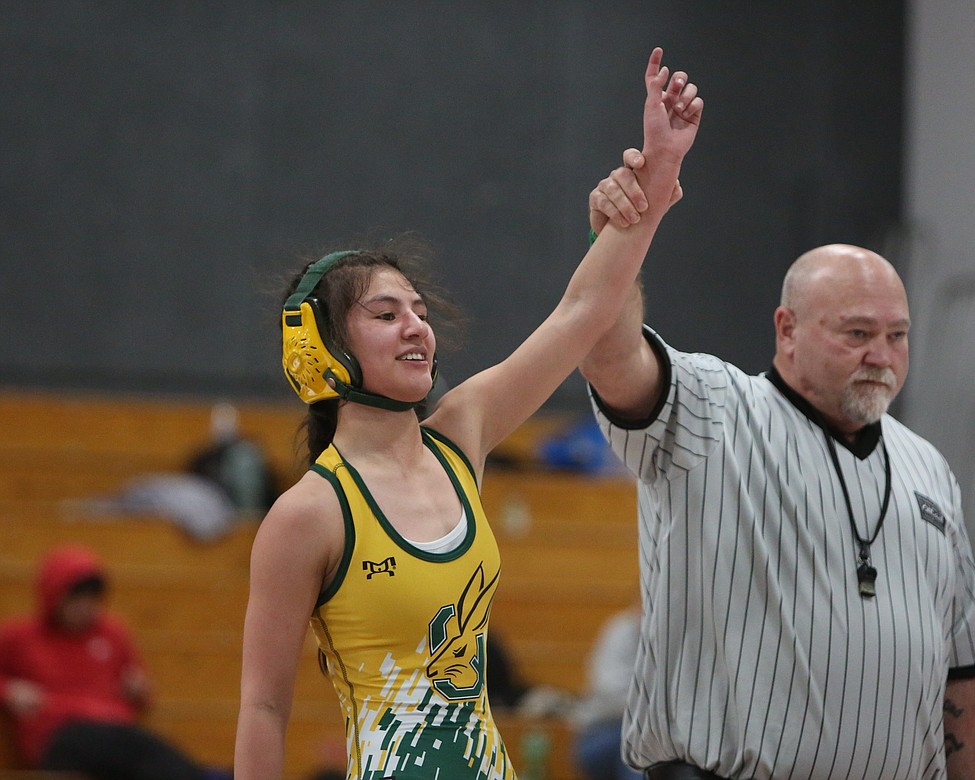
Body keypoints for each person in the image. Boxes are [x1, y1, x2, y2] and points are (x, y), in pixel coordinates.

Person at [233, 47, 703, 780]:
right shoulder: (308, 515)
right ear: (322, 349)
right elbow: (264, 708)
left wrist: (657, 182)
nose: (417, 328)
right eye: (386, 314)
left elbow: (580, 314)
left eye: (419, 312)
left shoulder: (460, 434)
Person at [581, 165, 975, 779]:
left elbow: (963, 668)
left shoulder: (928, 467)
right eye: (857, 333)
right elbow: (608, 353)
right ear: (787, 330)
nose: (880, 356)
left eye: (897, 336)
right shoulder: (714, 410)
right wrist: (620, 239)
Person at [0, 544, 220, 780]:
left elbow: (141, 694)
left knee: (134, 746)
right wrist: (8, 691)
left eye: (92, 599)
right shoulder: (20, 636)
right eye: (76, 598)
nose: (85, 607)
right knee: (130, 747)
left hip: (115, 731)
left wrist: (139, 690)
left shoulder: (112, 634)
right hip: (59, 732)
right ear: (54, 597)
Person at [571, 605, 641, 780]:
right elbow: (608, 694)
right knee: (634, 749)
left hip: (650, 736)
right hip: (605, 730)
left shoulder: (675, 635)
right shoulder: (620, 631)